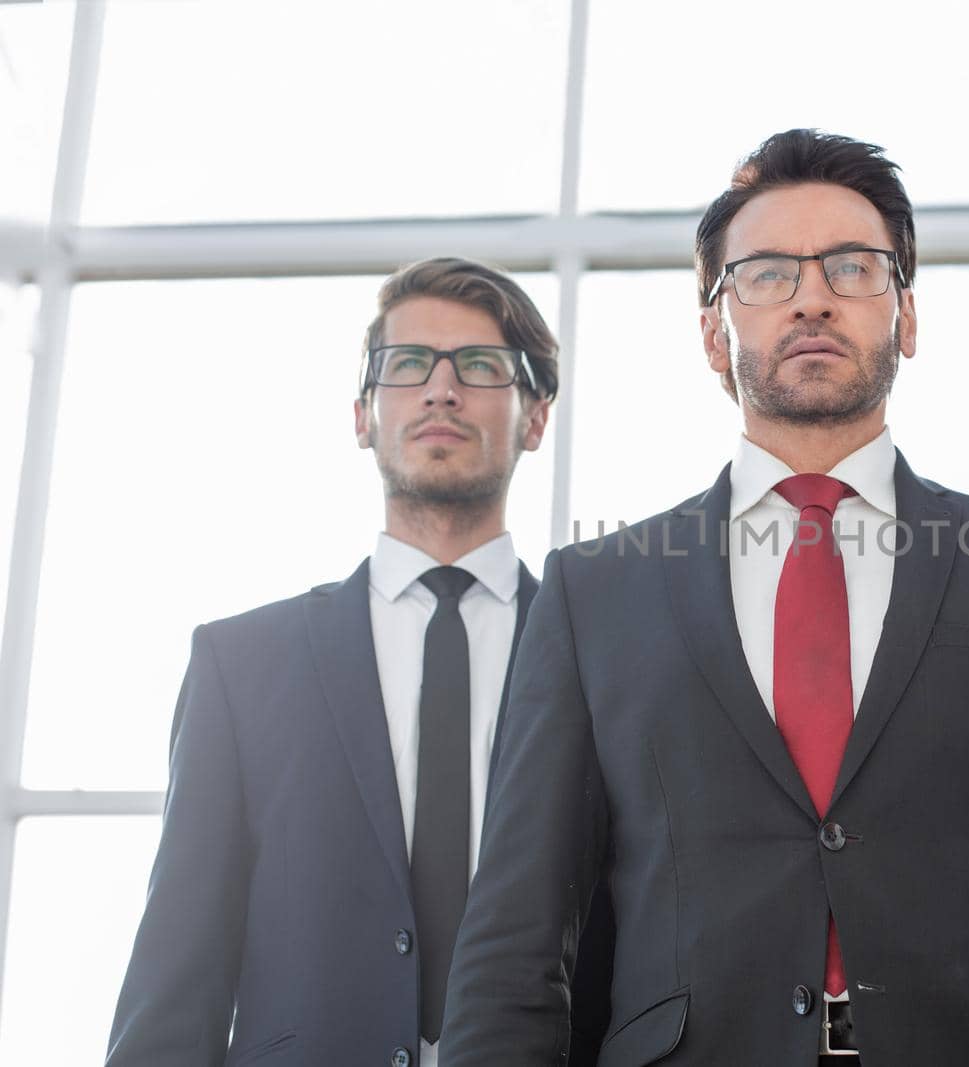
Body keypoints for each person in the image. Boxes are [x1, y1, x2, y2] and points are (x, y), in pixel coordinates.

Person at [441, 130, 969, 1066]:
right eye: (769, 272)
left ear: (906, 317)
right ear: (714, 330)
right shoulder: (593, 592)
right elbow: (515, 943)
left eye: (854, 268)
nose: (813, 296)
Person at [105, 257, 607, 1066]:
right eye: (408, 365)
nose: (441, 390)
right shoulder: (242, 664)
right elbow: (177, 974)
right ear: (362, 414)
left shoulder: (607, 656)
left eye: (479, 367)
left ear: (536, 416)